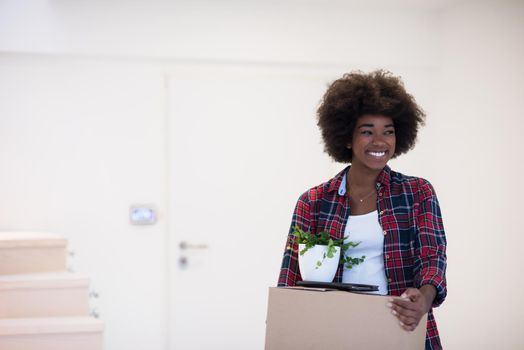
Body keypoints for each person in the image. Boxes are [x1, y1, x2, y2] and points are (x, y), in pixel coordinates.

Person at [278, 70, 447, 350]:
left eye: (388, 132)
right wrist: (285, 327)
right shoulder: (313, 202)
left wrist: (424, 299)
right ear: (346, 137)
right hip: (333, 331)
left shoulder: (417, 192)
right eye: (367, 131)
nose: (380, 142)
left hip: (401, 326)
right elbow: (290, 277)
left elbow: (433, 257)